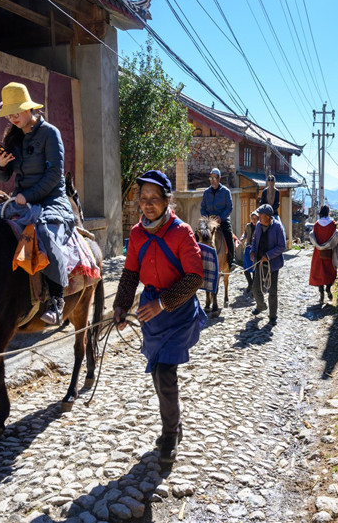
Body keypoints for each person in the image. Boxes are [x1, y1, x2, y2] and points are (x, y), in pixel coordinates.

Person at [113, 170, 206, 463]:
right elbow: (129, 275)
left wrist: (163, 304)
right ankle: (174, 425)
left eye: (155, 198)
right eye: (143, 199)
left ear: (168, 200)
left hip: (177, 313)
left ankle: (169, 436)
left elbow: (194, 279)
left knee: (165, 373)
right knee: (157, 372)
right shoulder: (137, 234)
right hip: (152, 314)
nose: (148, 204)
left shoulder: (181, 233)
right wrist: (120, 306)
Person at [0, 82, 75, 325]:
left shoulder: (50, 133)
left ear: (29, 108)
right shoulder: (13, 137)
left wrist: (28, 196)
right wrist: (0, 163)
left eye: (16, 110)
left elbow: (54, 176)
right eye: (9, 112)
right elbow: (4, 177)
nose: (13, 116)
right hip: (20, 202)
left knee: (46, 235)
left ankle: (56, 300)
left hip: (52, 201)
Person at [250, 204, 286, 326]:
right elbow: (255, 240)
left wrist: (269, 255)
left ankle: (272, 316)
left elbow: (282, 246)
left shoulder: (277, 227)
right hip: (260, 261)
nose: (258, 217)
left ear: (267, 216)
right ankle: (261, 306)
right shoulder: (259, 226)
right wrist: (253, 251)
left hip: (273, 264)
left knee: (272, 290)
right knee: (255, 287)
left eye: (260, 215)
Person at [200, 168, 237, 270]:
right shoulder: (206, 192)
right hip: (209, 221)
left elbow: (229, 207)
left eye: (214, 178)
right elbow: (203, 208)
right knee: (197, 233)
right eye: (211, 178)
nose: (212, 180)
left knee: (228, 234)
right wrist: (207, 218)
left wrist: (221, 217)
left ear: (219, 178)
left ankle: (231, 260)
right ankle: (196, 257)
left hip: (222, 220)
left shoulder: (226, 191)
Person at [309, 205, 338, 304]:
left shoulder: (316, 225)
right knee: (329, 271)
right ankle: (328, 289)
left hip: (318, 253)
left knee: (319, 272)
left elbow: (314, 236)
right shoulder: (333, 224)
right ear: (328, 212)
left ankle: (321, 295)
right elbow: (336, 237)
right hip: (329, 252)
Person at [239, 210, 259, 293]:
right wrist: (242, 238)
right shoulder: (248, 226)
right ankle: (250, 283)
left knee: (254, 268)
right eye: (252, 218)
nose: (254, 220)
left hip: (256, 249)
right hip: (248, 248)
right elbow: (245, 234)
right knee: (246, 268)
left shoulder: (259, 226)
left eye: (255, 218)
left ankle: (254, 287)